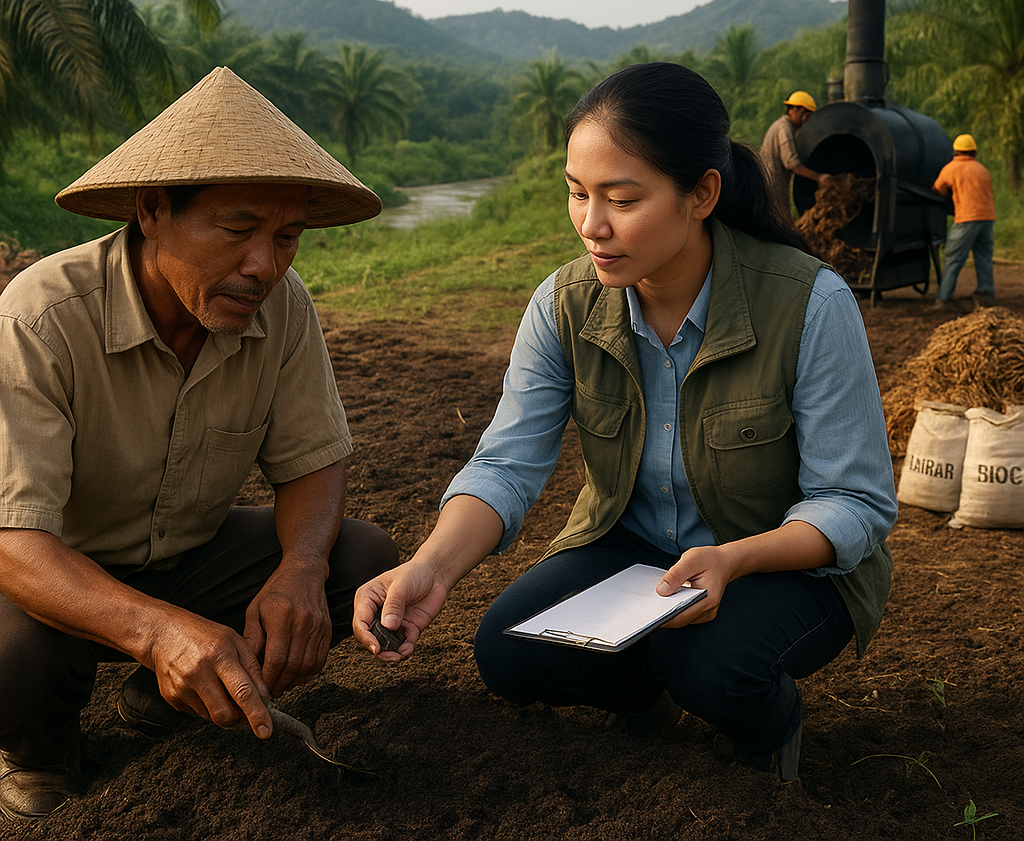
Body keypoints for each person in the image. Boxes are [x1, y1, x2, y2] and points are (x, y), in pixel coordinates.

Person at [353, 63, 897, 784]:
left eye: (622, 198)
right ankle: (645, 697)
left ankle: (769, 726)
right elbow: (507, 465)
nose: (591, 225)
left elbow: (854, 503)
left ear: (701, 193)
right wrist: (431, 566)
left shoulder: (810, 304)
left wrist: (734, 560)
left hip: (784, 564)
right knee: (508, 653)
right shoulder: (564, 303)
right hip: (636, 548)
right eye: (578, 195)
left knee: (709, 665)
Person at [0, 67, 400, 821]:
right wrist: (156, 631)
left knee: (358, 560)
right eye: (239, 229)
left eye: (287, 239)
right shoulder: (41, 320)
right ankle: (38, 754)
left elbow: (313, 460)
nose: (264, 265)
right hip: (54, 580)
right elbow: (14, 543)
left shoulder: (283, 309)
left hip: (186, 562)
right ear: (153, 211)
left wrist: (300, 569)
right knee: (9, 659)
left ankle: (158, 703)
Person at [932, 133, 996, 309]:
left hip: (966, 219)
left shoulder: (952, 168)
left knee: (953, 258)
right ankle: (986, 295)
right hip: (987, 218)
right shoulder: (982, 169)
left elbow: (938, 188)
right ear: (974, 152)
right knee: (983, 257)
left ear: (956, 152)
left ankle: (943, 299)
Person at [759, 90, 830, 212]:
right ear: (795, 110)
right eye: (806, 116)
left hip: (771, 190)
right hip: (771, 191)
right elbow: (793, 164)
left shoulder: (784, 127)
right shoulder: (784, 129)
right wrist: (820, 177)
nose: (805, 122)